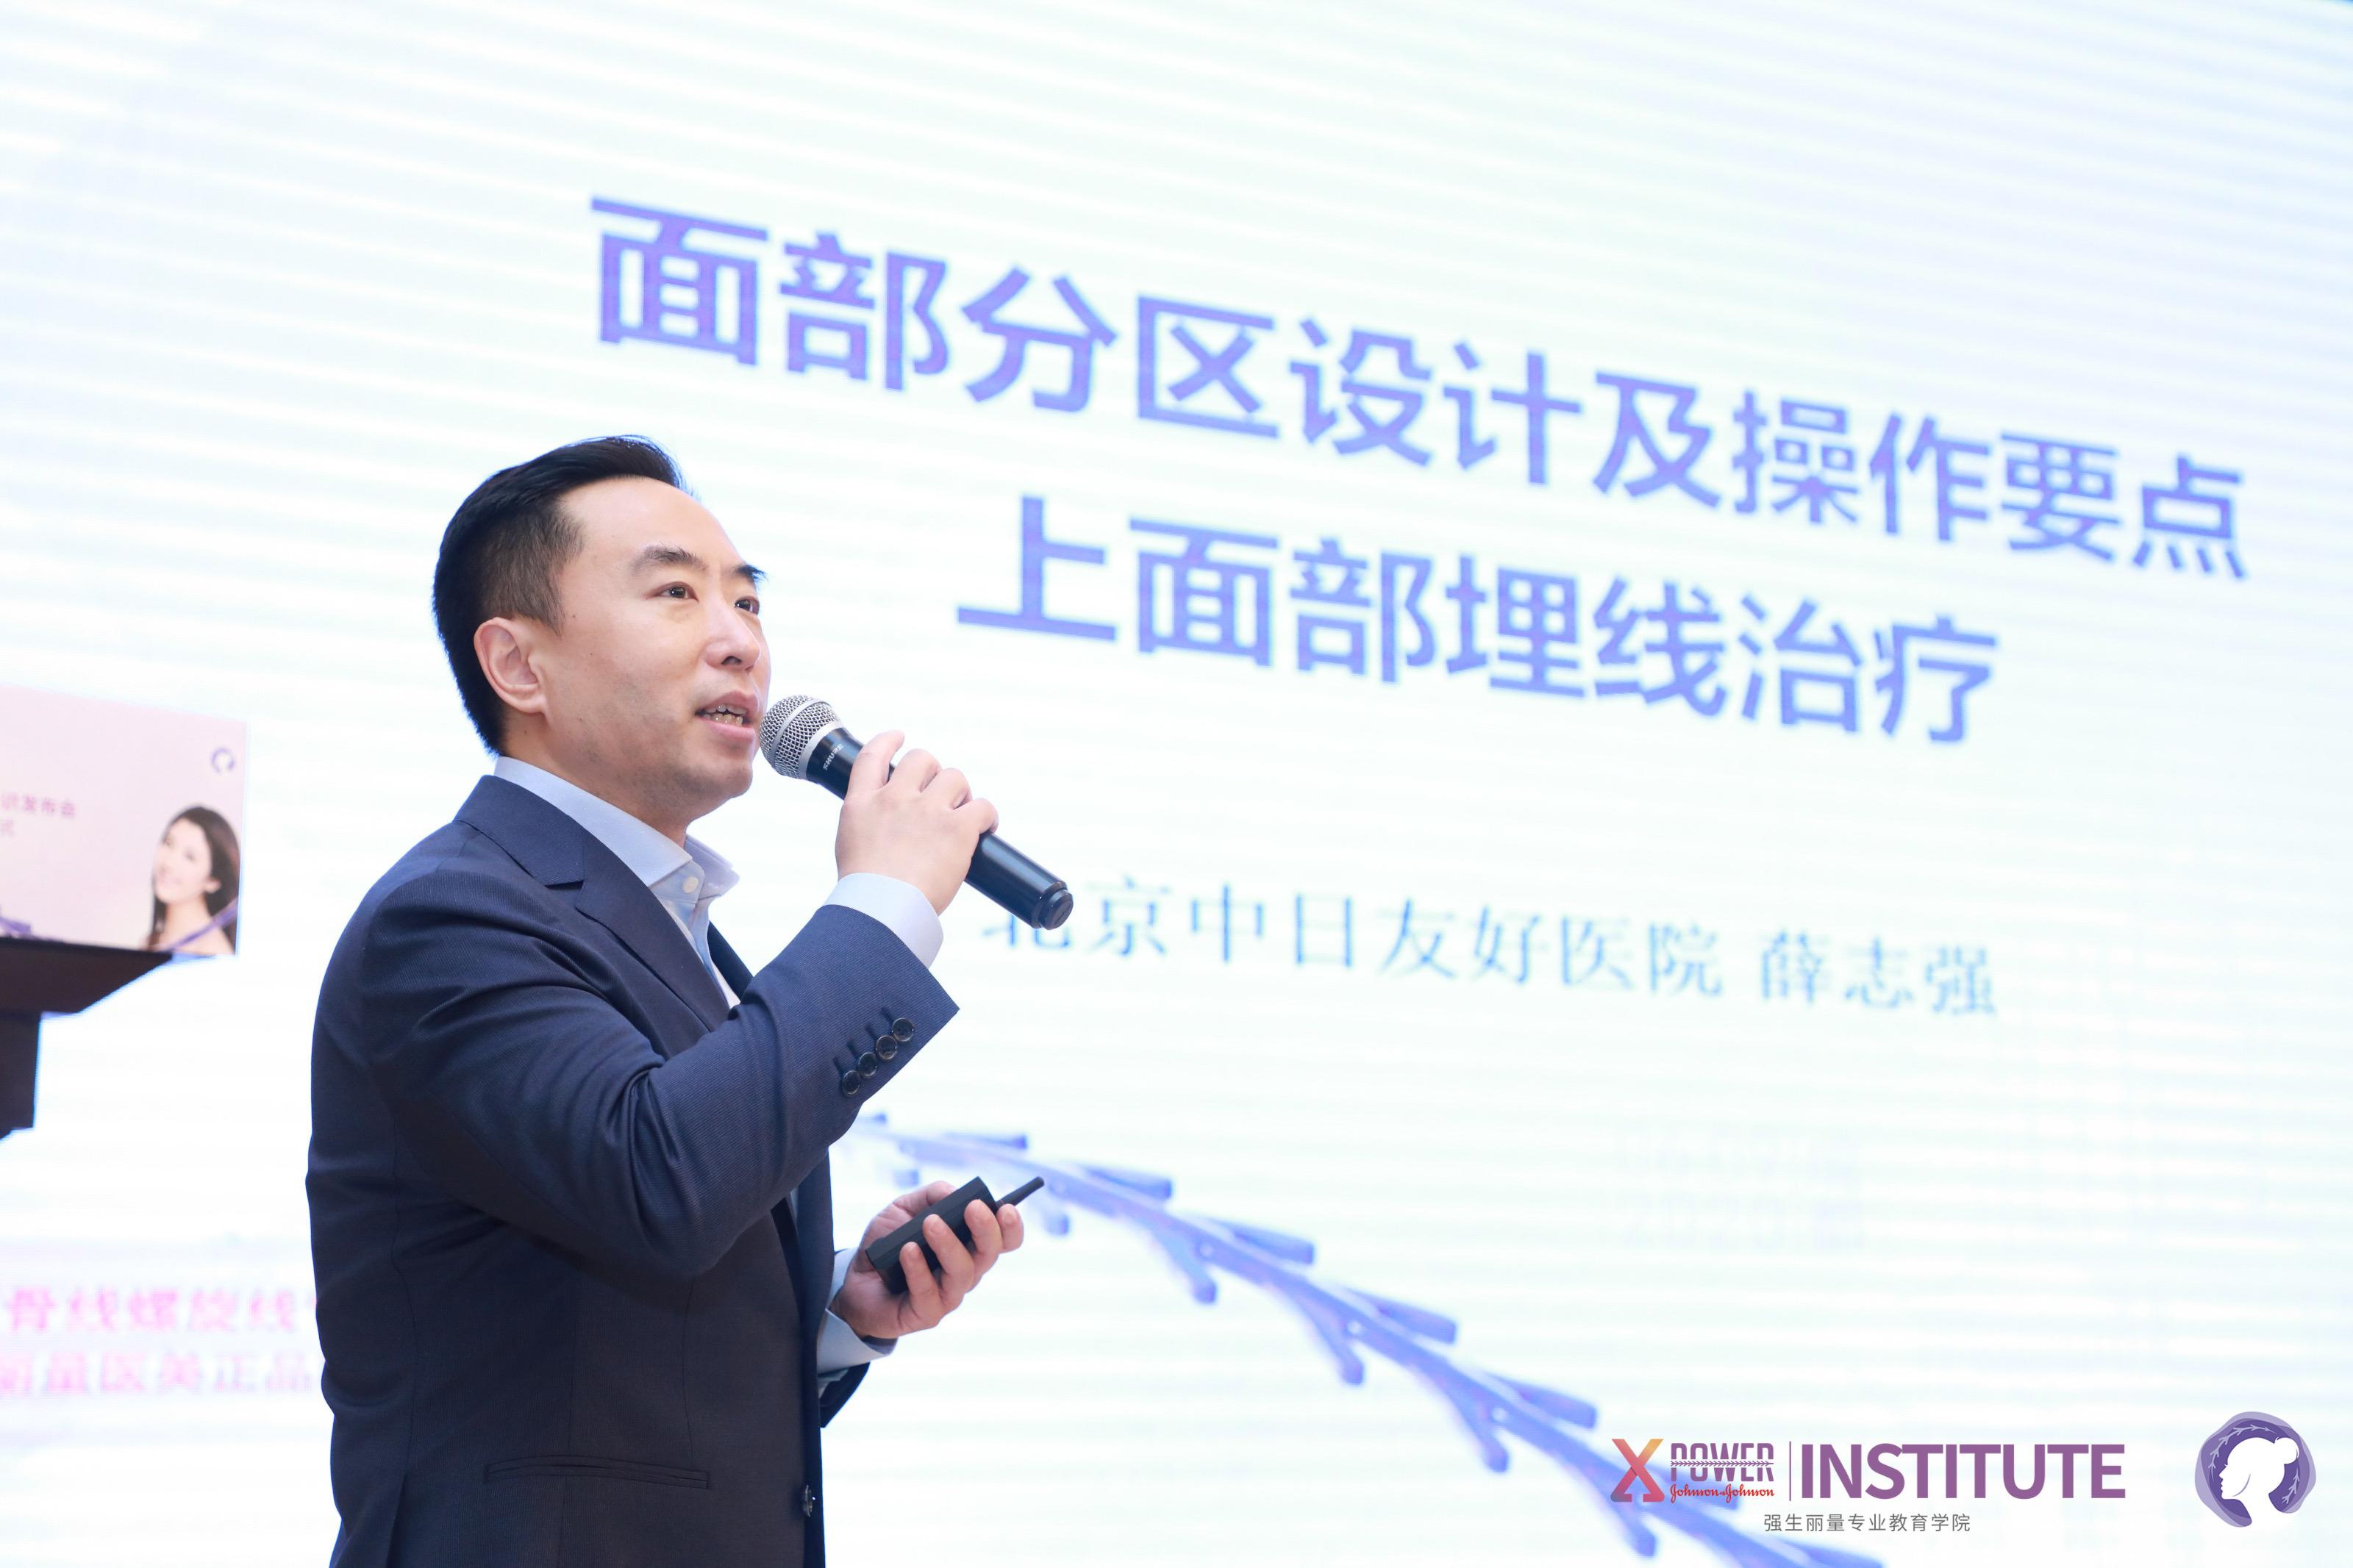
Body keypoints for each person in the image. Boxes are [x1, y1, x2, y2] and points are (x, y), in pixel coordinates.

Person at [307, 436, 1024, 1568]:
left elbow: (619, 1351)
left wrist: (839, 1320)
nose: (740, 639)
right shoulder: (450, 915)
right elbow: (660, 1179)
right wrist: (883, 904)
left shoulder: (679, 931)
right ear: (519, 665)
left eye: (748, 599)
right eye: (677, 594)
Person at [146, 805, 238, 955]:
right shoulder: (154, 941)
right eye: (169, 843)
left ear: (213, 881)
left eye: (190, 857)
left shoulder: (213, 955)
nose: (168, 863)